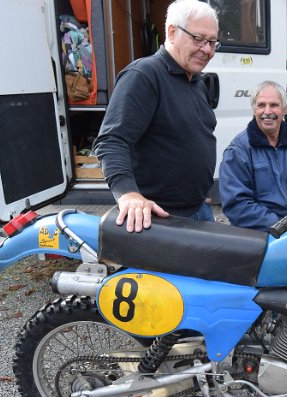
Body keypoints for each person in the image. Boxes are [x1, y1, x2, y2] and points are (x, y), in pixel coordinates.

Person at [93, 0, 219, 233]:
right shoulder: (143, 75)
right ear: (172, 32)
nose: (207, 50)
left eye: (212, 42)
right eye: (198, 39)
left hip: (199, 210)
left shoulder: (196, 82)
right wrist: (128, 193)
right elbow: (111, 141)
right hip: (160, 220)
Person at [219, 81, 287, 231]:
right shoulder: (238, 151)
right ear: (254, 109)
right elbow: (237, 205)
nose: (267, 111)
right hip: (261, 234)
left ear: (285, 109)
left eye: (274, 105)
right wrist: (281, 226)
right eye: (261, 105)